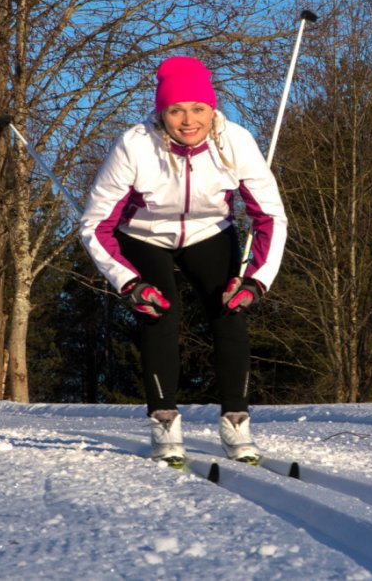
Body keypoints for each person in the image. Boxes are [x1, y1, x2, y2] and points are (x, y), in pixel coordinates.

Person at [79, 55, 287, 466]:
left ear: (213, 110)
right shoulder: (135, 145)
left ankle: (236, 421)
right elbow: (95, 225)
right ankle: (165, 422)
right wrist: (128, 282)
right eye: (176, 110)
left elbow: (270, 217)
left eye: (198, 109)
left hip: (210, 232)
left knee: (230, 310)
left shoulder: (236, 142)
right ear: (162, 112)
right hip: (144, 235)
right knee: (160, 311)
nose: (188, 121)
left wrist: (255, 282)